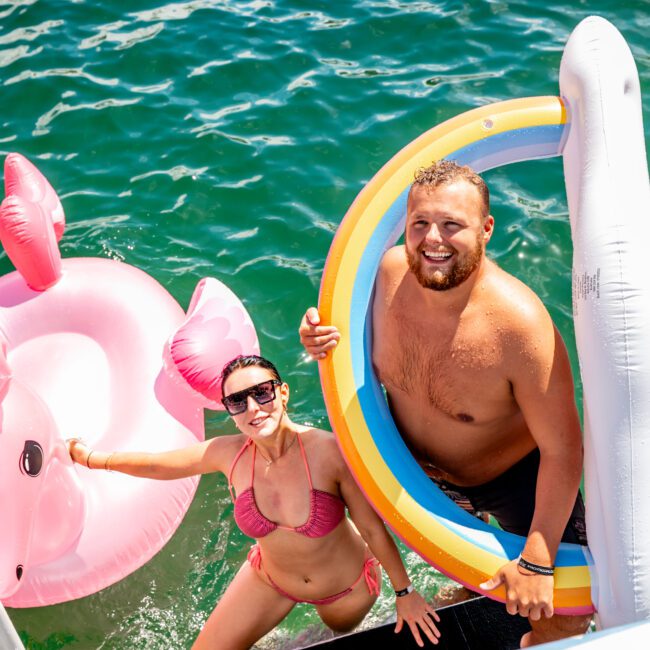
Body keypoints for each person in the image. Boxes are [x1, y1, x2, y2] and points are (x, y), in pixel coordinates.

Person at [299, 160, 591, 647]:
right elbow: (352, 353)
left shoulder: (519, 328)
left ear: (486, 229)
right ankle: (458, 599)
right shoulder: (387, 274)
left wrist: (538, 560)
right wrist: (318, 337)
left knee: (566, 613)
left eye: (452, 224)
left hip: (514, 477)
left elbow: (563, 450)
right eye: (420, 223)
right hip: (417, 472)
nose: (433, 239)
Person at [68, 354, 441, 650]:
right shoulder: (227, 454)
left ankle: (303, 638)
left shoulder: (328, 452)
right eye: (237, 401)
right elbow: (156, 464)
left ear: (283, 393)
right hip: (269, 579)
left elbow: (373, 529)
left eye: (262, 392)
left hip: (344, 588)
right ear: (229, 411)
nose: (252, 407)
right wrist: (91, 458)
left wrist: (404, 593)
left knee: (334, 639)